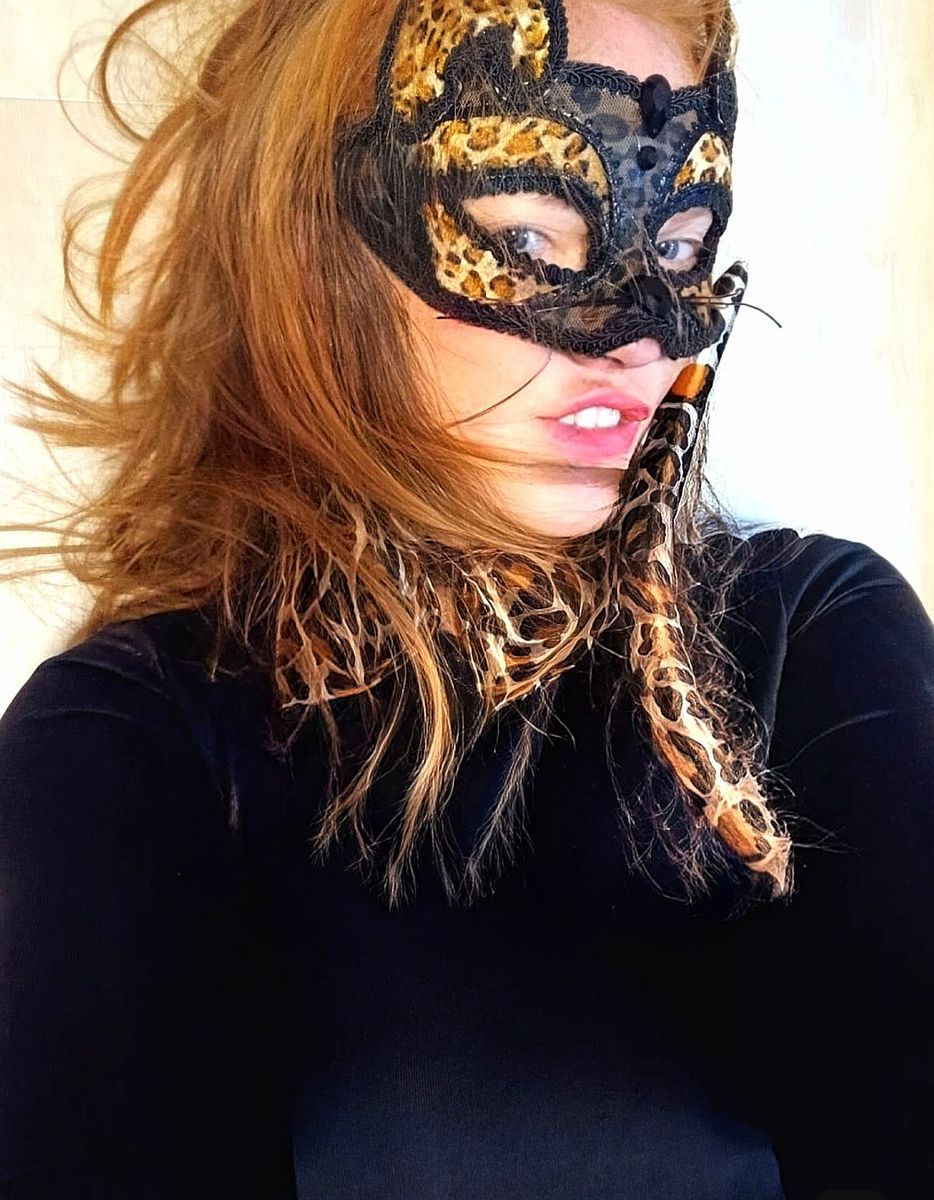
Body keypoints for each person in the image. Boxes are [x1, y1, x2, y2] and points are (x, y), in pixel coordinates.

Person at [1, 0, 932, 1196]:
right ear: (316, 251)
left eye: (678, 248)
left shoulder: (808, 639)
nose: (637, 341)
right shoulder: (135, 736)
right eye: (527, 236)